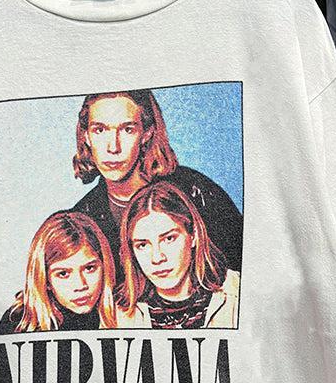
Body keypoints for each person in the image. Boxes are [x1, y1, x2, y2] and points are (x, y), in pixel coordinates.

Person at [71, 88, 243, 282]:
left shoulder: (195, 191)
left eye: (128, 129)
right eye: (100, 130)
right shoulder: (83, 218)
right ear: (86, 136)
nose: (113, 147)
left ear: (147, 133)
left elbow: (247, 267)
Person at [115, 180, 240, 329]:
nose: (157, 258)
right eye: (142, 245)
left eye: (169, 239)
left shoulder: (236, 293)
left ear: (193, 235)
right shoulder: (118, 314)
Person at [0, 211, 118, 334]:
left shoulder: (122, 313)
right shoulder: (19, 322)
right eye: (63, 274)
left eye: (89, 268)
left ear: (105, 266)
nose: (80, 285)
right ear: (45, 279)